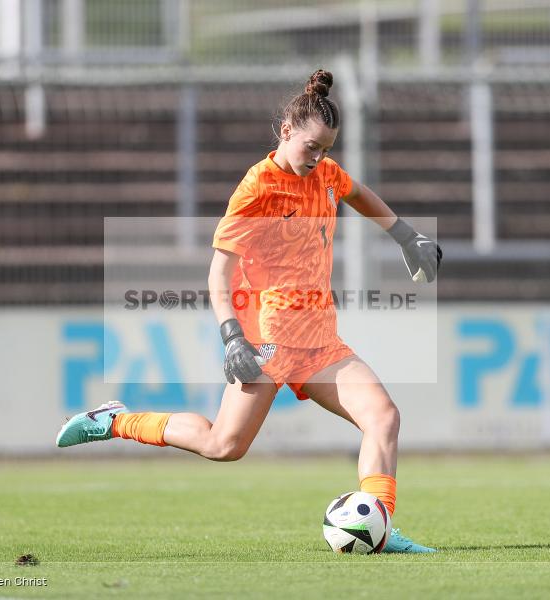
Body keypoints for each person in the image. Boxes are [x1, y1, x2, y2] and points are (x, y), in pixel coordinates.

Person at [56, 70, 441, 552]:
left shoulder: (324, 174)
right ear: (285, 131)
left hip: (320, 342)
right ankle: (117, 421)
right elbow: (217, 275)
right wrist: (233, 337)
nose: (318, 158)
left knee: (383, 417)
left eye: (326, 149)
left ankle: (379, 527)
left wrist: (404, 233)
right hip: (267, 342)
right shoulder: (256, 188)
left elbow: (356, 193)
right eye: (311, 147)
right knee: (224, 446)